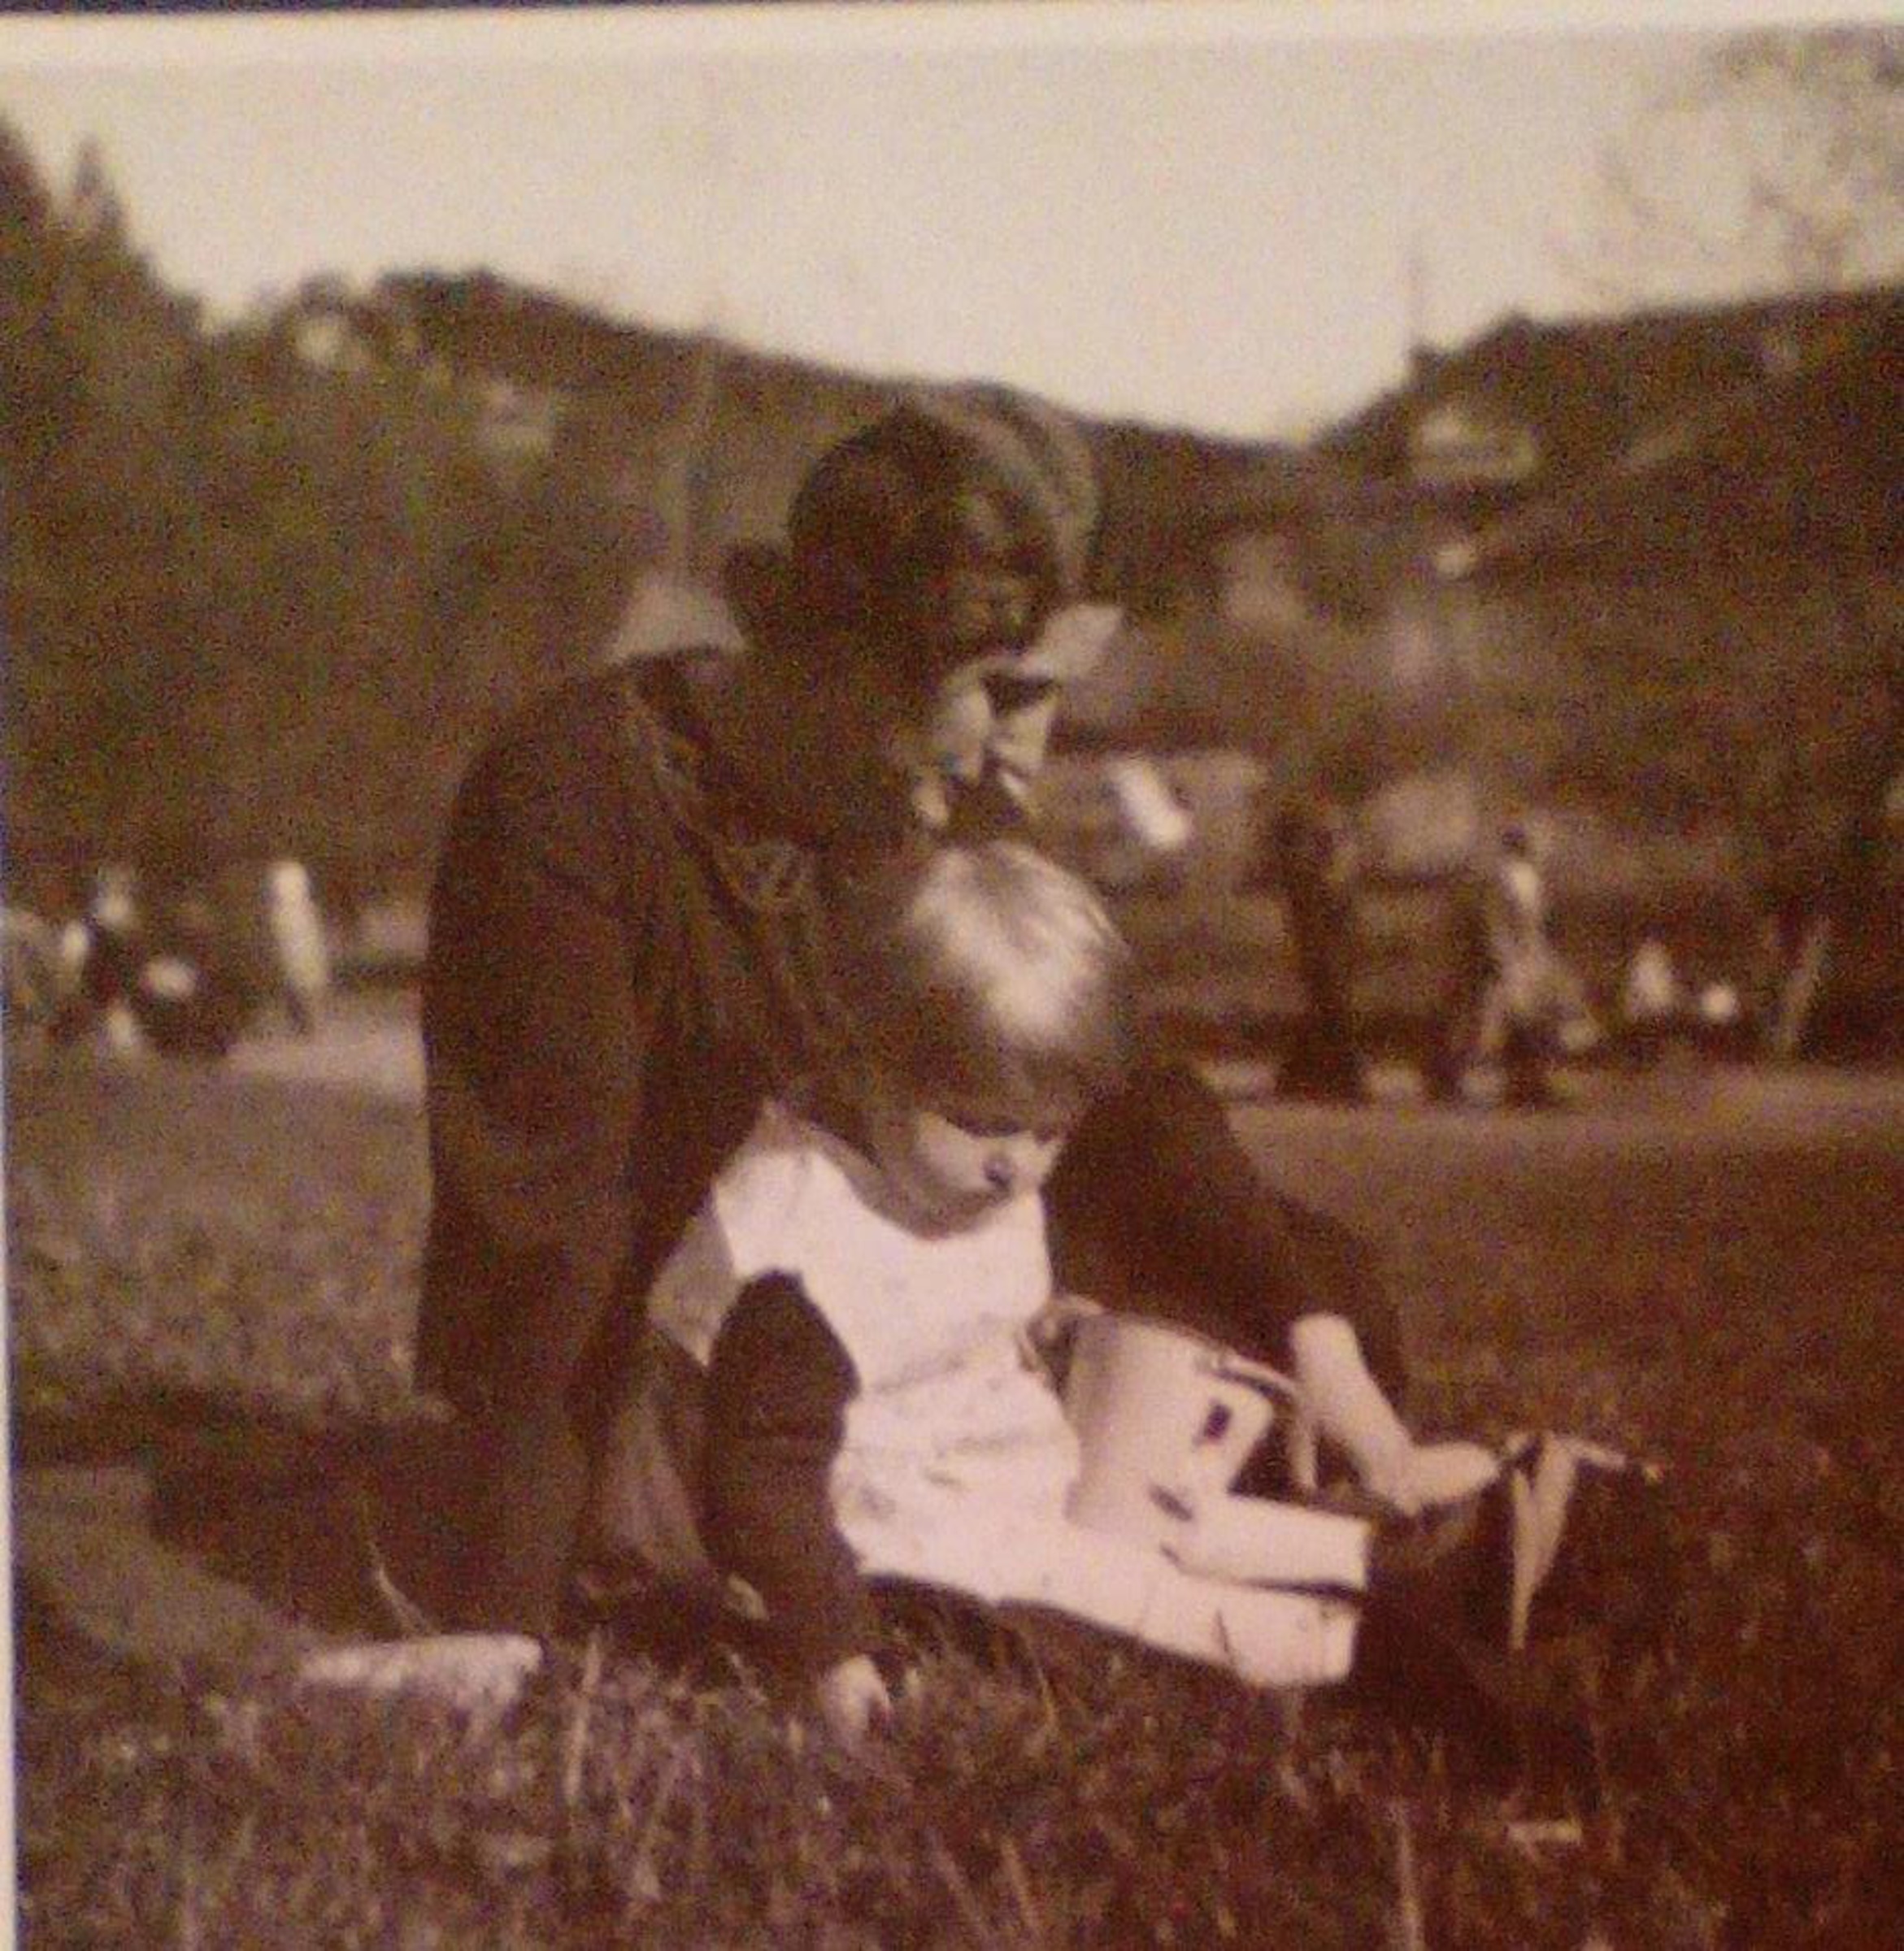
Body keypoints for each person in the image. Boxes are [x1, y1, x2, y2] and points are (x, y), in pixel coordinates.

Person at [414, 386, 1496, 1662]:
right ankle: (1105, 1543)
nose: (1013, 748)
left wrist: (1316, 1344)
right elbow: (548, 1226)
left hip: (902, 1283)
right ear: (855, 655)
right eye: (998, 688)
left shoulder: (925, 790)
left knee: (1300, 1271)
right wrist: (499, 1610)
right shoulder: (570, 795)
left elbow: (1116, 1081)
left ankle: (1170, 1517)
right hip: (706, 1342)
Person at [589, 838, 1638, 1748]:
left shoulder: (952, 1177)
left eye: (1048, 1132)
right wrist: (830, 1651)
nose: (1014, 1166)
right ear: (867, 1069)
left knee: (1167, 1516)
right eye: (982, 1124)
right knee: (1111, 1595)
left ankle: (1408, 1560)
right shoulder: (799, 1250)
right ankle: (1367, 1665)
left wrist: (1030, 1326)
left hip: (969, 1478)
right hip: (867, 1547)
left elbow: (937, 1316)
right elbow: (760, 1482)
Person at [1270, 793, 1363, 1102]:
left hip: (1324, 947)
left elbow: (1330, 899)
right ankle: (1334, 1077)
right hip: (1323, 948)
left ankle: (1320, 1076)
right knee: (1329, 1010)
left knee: (1327, 1010)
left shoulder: (1319, 862)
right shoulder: (1318, 864)